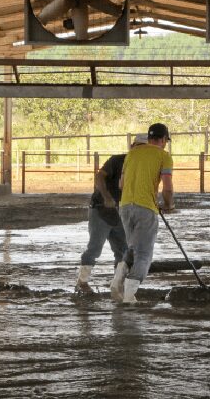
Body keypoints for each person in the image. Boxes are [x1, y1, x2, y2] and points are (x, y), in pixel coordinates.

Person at [76, 134, 148, 297]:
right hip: (102, 210)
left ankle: (118, 284)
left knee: (122, 250)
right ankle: (82, 282)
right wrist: (107, 197)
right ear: (133, 147)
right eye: (139, 148)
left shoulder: (144, 168)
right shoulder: (117, 161)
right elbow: (99, 176)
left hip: (122, 213)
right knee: (95, 247)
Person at [116, 123, 175, 303]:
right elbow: (167, 188)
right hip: (145, 208)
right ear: (164, 139)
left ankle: (117, 279)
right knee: (144, 254)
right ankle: (129, 294)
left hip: (125, 206)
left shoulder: (132, 154)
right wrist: (168, 204)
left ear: (149, 138)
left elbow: (121, 185)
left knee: (132, 248)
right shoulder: (163, 156)